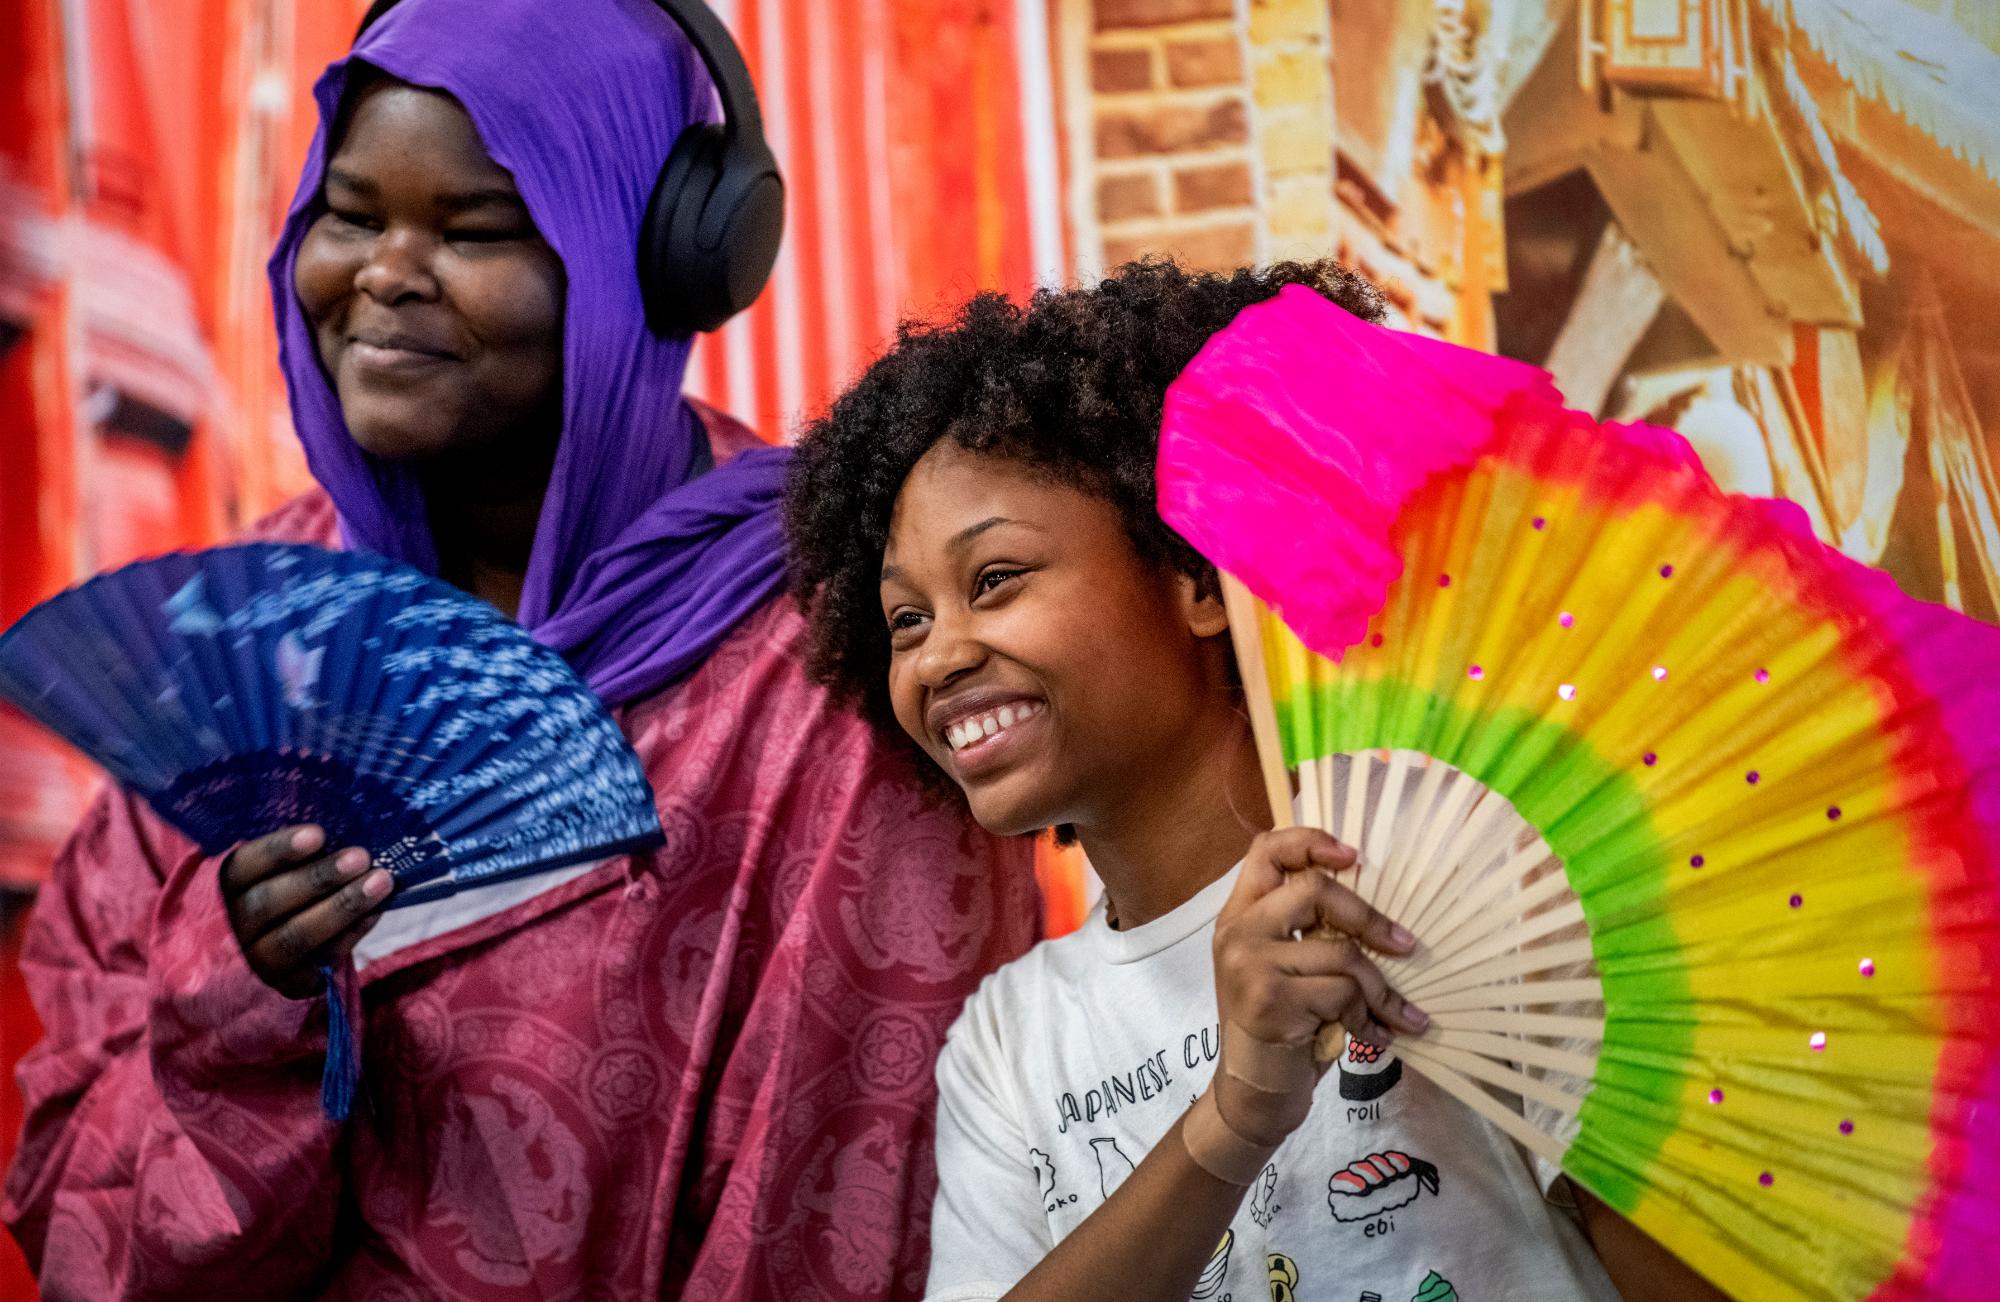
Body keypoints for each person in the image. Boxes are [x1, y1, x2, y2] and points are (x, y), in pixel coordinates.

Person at [1, 2, 1036, 1298]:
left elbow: (853, 1201)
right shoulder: (244, 647)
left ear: (652, 263)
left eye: (475, 228)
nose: (383, 271)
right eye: (351, 214)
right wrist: (238, 996)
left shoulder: (836, 655)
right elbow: (74, 1215)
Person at [784, 258, 1730, 1301]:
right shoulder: (1008, 1043)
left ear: (1195, 576)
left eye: (993, 580)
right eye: (904, 620)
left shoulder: (1455, 869)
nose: (937, 656)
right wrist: (1233, 1118)